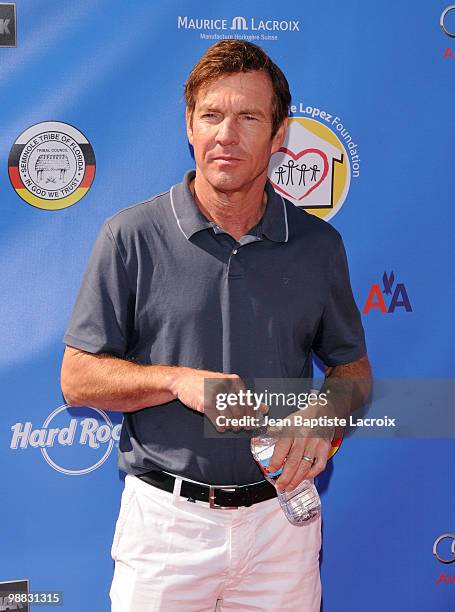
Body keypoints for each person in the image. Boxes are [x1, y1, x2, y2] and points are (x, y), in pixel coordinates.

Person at [61, 40, 371, 612]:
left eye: (248, 117)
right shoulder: (129, 236)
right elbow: (78, 378)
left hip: (282, 525)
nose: (226, 134)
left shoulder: (319, 246)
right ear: (189, 124)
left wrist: (321, 417)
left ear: (280, 136)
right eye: (211, 115)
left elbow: (352, 370)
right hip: (165, 529)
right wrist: (177, 381)